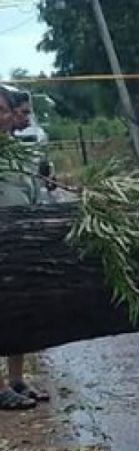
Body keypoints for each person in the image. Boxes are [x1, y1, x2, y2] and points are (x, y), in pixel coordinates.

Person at [0, 86, 47, 410]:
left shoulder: (14, 152)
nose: (10, 118)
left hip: (19, 246)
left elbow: (30, 190)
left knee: (19, 314)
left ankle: (16, 380)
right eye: (4, 111)